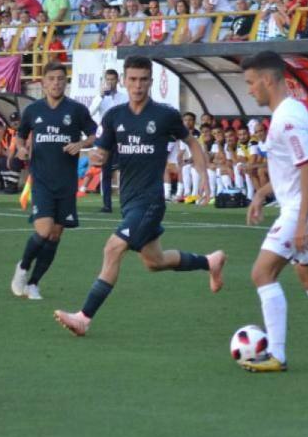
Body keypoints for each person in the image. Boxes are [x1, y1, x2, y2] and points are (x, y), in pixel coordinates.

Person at [53, 55, 225, 337]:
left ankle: (84, 317)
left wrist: (203, 175)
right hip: (129, 200)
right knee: (153, 261)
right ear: (124, 80)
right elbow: (103, 153)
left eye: (143, 79)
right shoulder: (114, 116)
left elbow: (191, 141)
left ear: (151, 81)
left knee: (112, 249)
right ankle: (210, 262)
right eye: (132, 79)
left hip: (150, 201)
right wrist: (97, 156)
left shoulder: (164, 115)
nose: (138, 85)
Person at [238, 51, 308, 372]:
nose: (249, 90)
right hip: (304, 206)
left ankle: (276, 354)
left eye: (251, 82)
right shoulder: (292, 112)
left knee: (262, 273)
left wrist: (301, 222)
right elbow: (293, 168)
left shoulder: (287, 118)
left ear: (268, 80)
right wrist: (261, 193)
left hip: (303, 209)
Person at [10, 62, 97, 300]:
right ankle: (23, 268)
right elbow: (20, 135)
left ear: (65, 82)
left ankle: (34, 284)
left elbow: (93, 133)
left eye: (60, 78)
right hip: (42, 180)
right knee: (44, 229)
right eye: (51, 78)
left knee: (56, 235)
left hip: (67, 182)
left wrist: (80, 144)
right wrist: (20, 149)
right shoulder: (33, 110)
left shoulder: (76, 110)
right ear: (43, 82)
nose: (56, 83)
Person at [93, 69, 128, 213]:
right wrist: (100, 96)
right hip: (106, 139)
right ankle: (107, 204)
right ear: (104, 81)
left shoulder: (124, 97)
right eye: (108, 79)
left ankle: (126, 203)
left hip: (121, 138)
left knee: (125, 171)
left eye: (113, 79)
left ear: (118, 80)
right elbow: (90, 112)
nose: (110, 82)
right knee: (106, 172)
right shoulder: (100, 98)